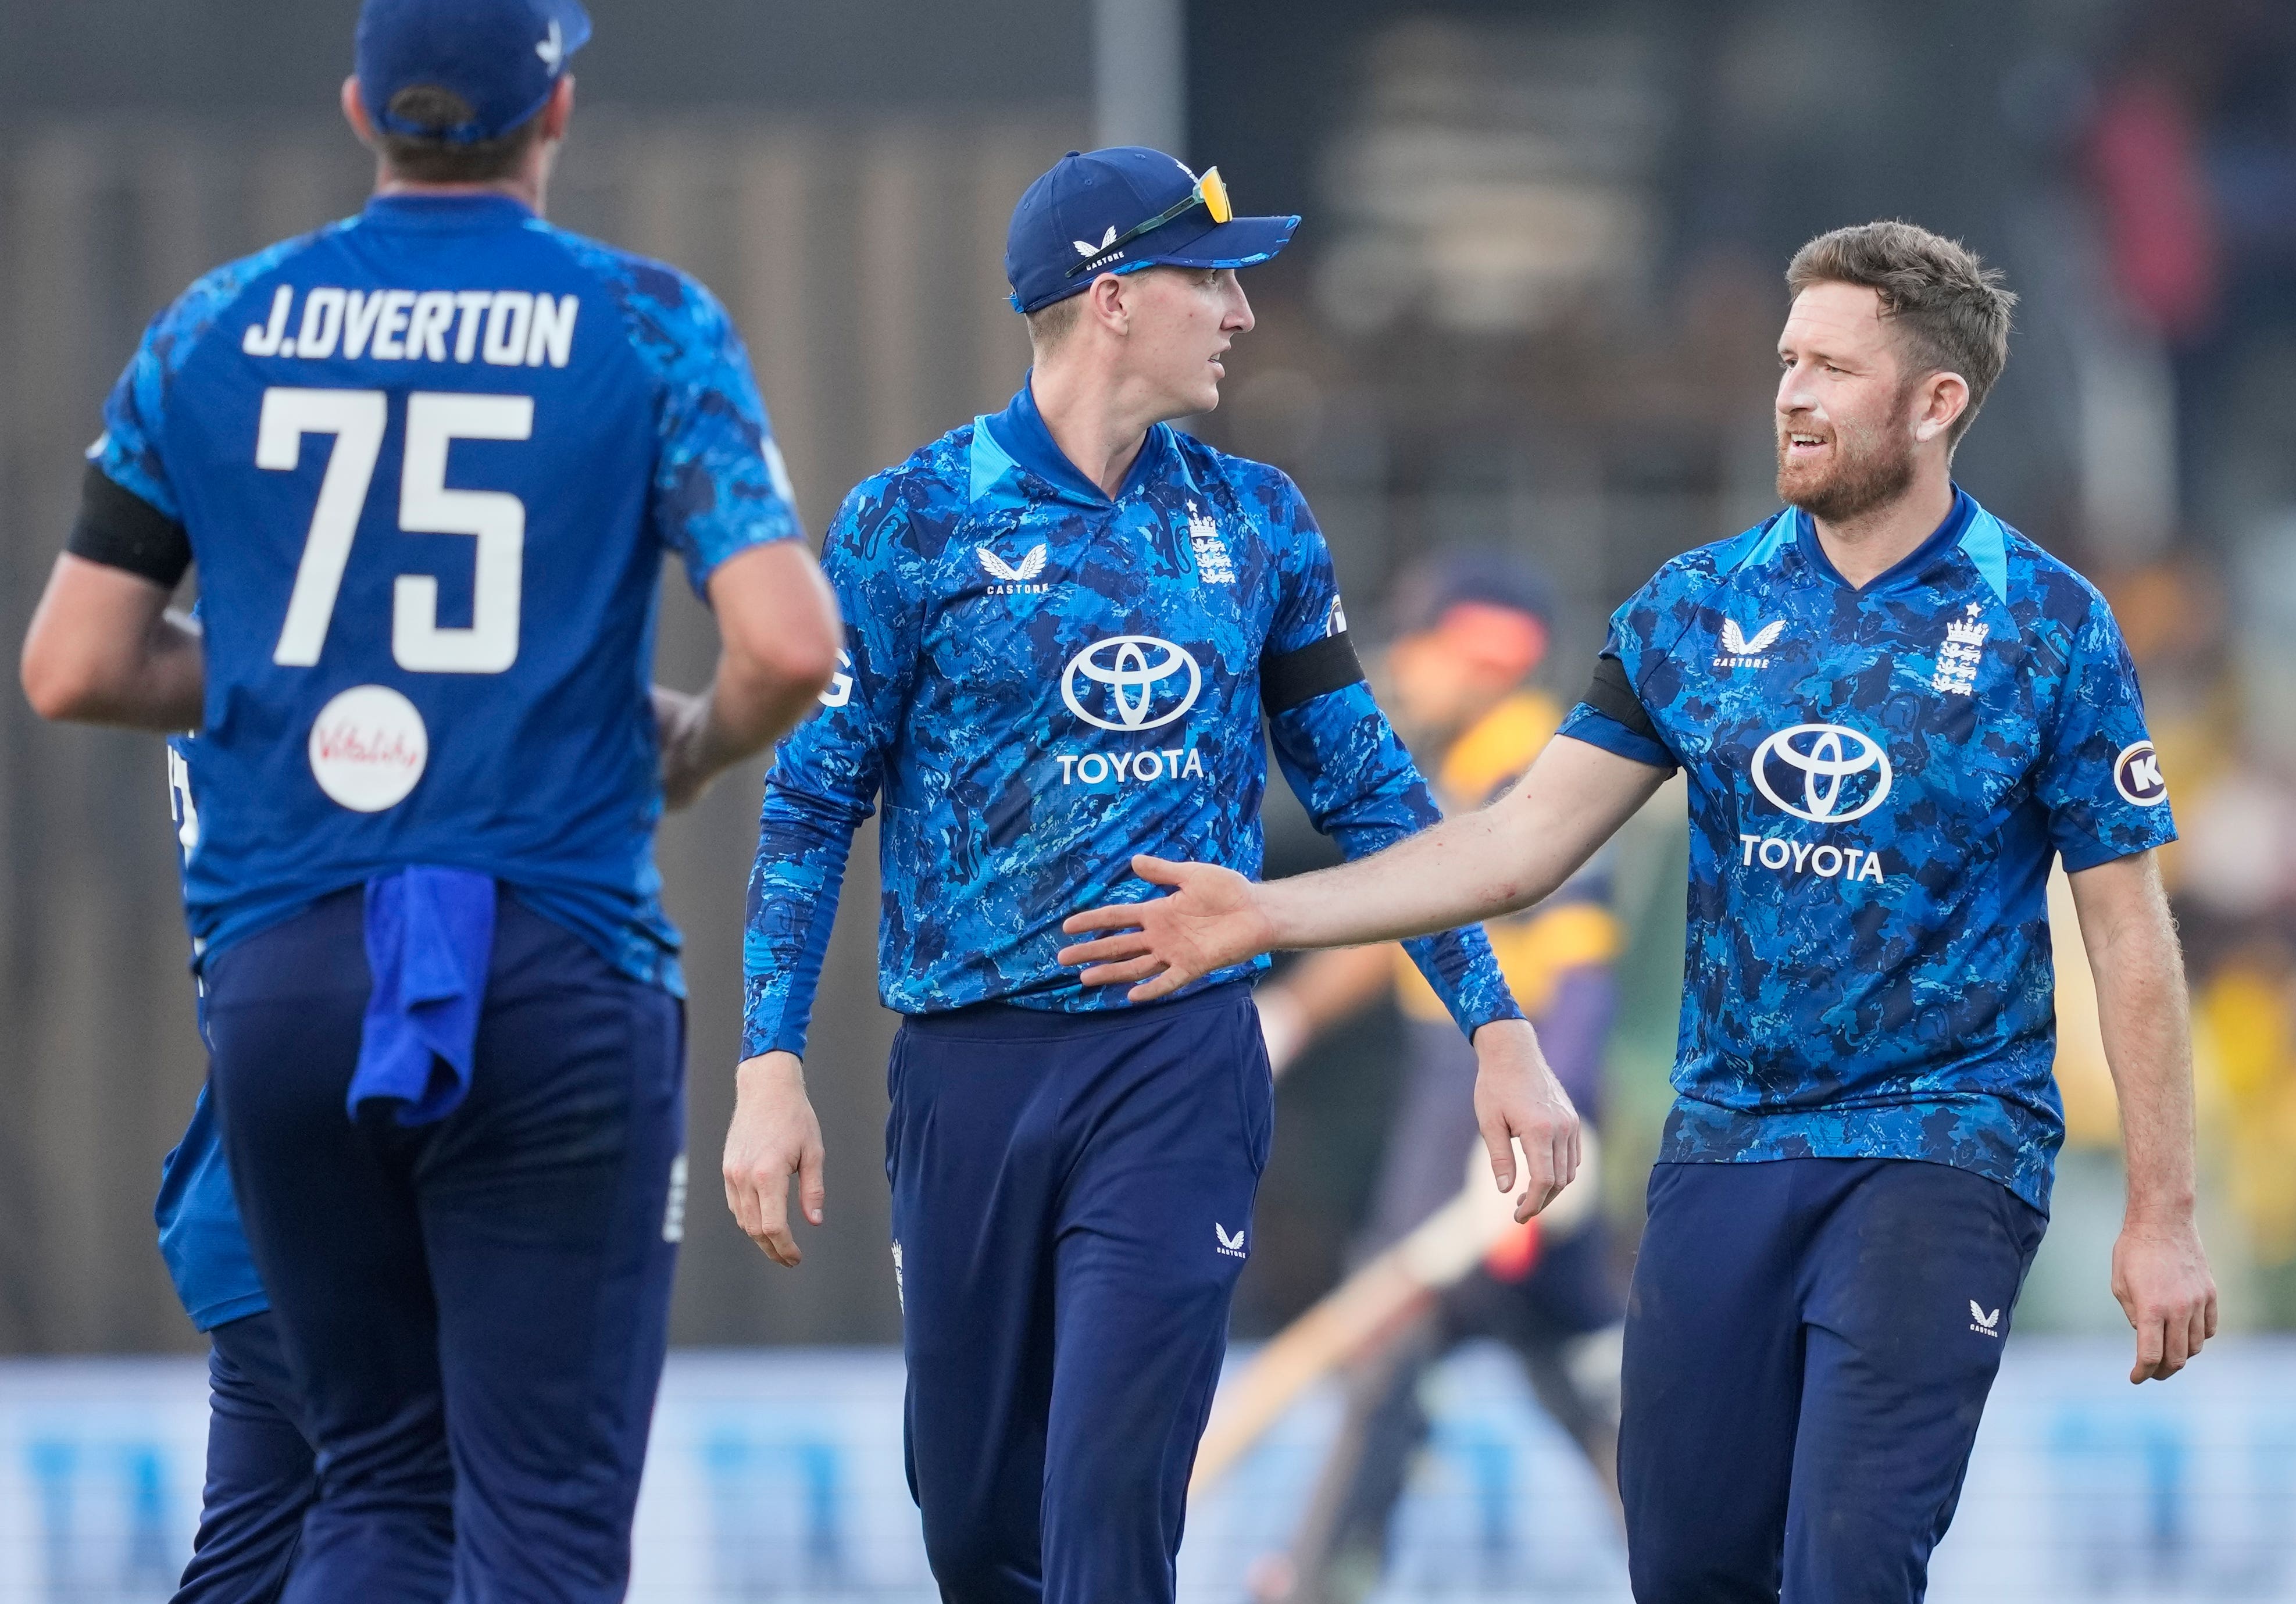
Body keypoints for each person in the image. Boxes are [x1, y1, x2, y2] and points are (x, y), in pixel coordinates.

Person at [1061, 220, 2219, 1602]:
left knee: (1850, 1566)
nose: (1792, 391)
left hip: (1942, 1147)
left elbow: (2128, 933)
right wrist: (1268, 913)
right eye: (1789, 359)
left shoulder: (2054, 627)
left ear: (1937, 402)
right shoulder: (1692, 608)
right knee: (1685, 1569)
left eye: (1834, 369)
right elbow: (1513, 844)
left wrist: (2164, 1212)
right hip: (1722, 1145)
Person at [18, 0, 840, 1595]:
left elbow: (73, 665)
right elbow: (788, 641)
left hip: (290, 967)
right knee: (537, 1510)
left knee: (377, 1485)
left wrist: (296, 678)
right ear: (560, 112)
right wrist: (690, 743)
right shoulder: (643, 320)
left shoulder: (214, 325)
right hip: (550, 951)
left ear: (356, 110)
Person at [723, 145, 1582, 1604]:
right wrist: (767, 1065)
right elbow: (810, 810)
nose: (1241, 312)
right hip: (970, 1075)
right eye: (1210, 278)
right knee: (980, 1527)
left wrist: (1496, 1025)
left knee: (1113, 1493)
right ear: (1111, 298)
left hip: (1178, 1069)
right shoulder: (907, 522)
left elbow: (1373, 792)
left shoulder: (1257, 522)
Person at [1246, 555, 1627, 1604]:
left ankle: (1323, 1577)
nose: (1402, 667)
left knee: (1392, 1336)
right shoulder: (1463, 774)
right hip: (1476, 1103)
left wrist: (1563, 1122)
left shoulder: (1529, 779)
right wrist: (1290, 1014)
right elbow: (1406, 932)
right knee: (1567, 1362)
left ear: (1486, 650)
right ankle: (1700, 1568)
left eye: (1422, 641)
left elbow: (1582, 979)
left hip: (1495, 1109)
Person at [156, 740, 318, 1604]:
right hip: (321, 1206)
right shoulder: (292, 646)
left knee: (249, 1559)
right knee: (446, 1505)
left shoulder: (237, 642)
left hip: (251, 1201)